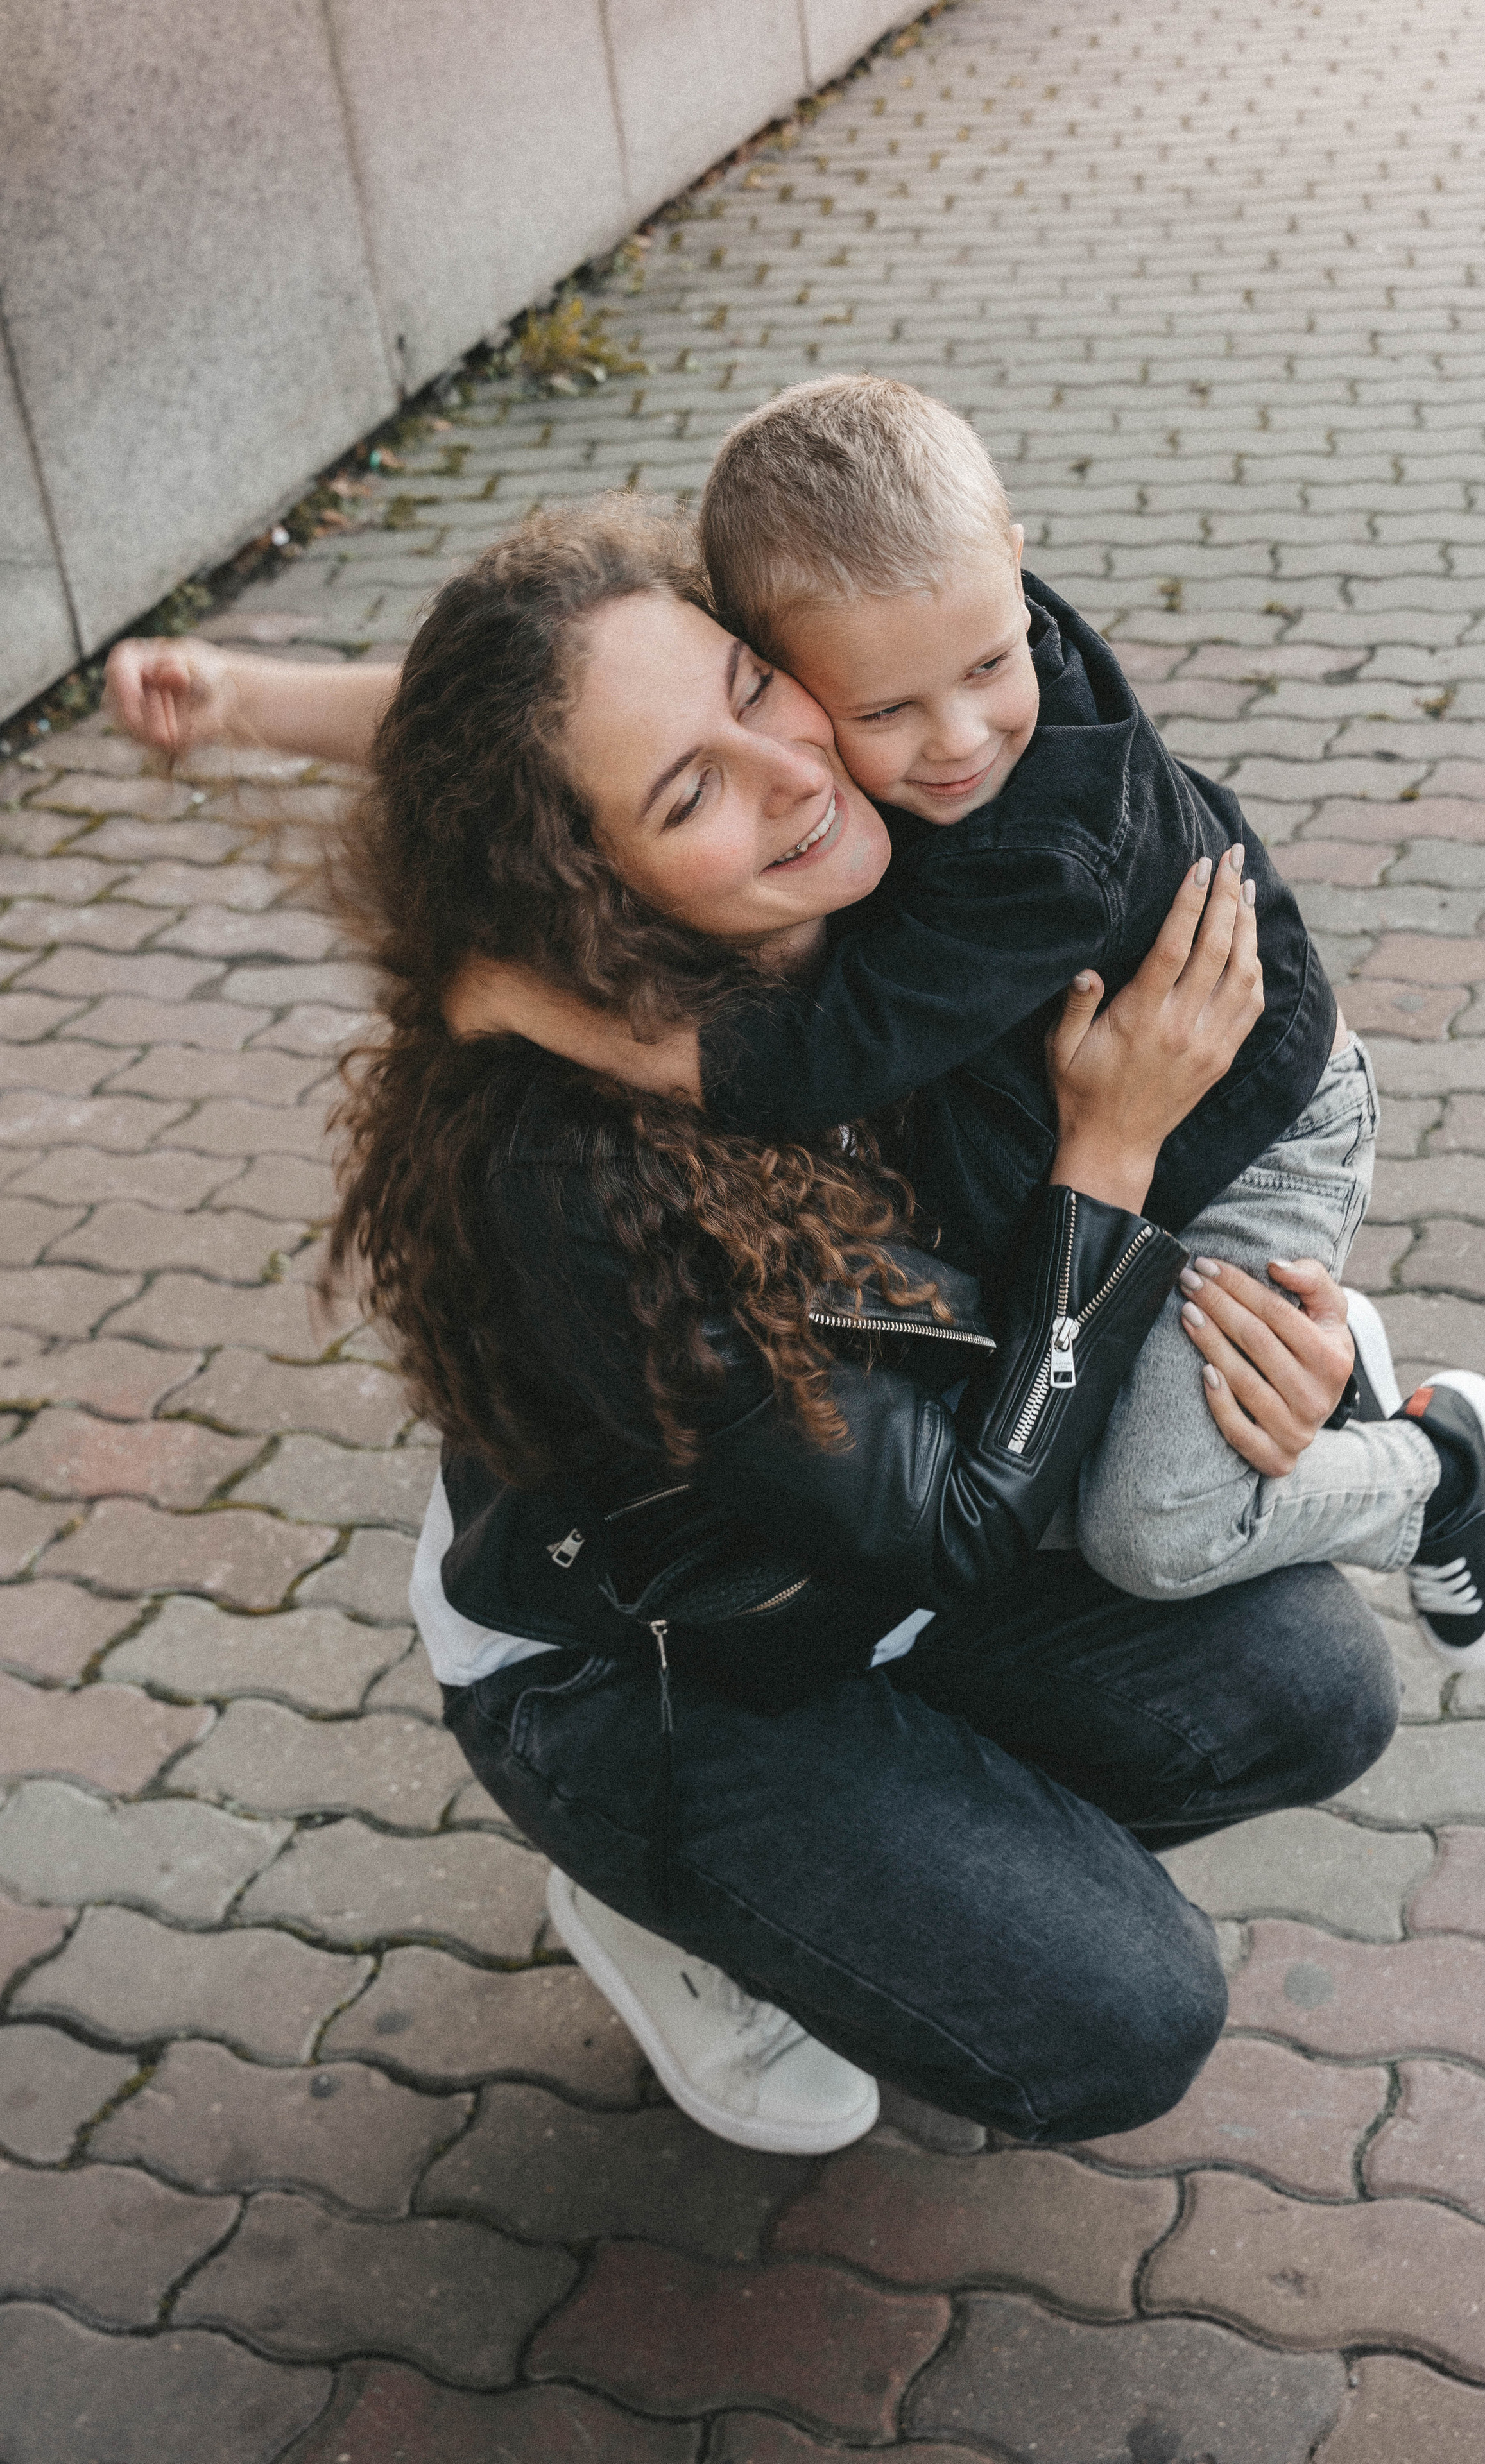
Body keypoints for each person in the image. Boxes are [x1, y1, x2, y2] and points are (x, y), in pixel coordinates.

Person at [106, 497, 1398, 2156]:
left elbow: (518, 707)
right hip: (654, 1649)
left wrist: (1287, 1348)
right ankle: (677, 1895)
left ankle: (856, 1873)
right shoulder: (573, 1175)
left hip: (871, 1549)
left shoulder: (885, 824)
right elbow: (953, 1517)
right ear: (584, 877)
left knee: (1305, 1682)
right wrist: (1111, 1162)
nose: (789, 770)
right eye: (688, 791)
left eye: (752, 688)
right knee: (1121, 2019)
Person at [454, 379, 1485, 1668]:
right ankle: (1313, 1374)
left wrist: (526, 1004)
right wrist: (252, 707)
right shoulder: (907, 621)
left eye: (987, 664)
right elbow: (532, 705)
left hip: (1242, 1137)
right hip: (1075, 1131)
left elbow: (808, 1058)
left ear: (1012, 560)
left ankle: (1427, 1473)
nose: (960, 741)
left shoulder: (1044, 850)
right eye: (884, 712)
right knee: (1048, 1426)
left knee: (1152, 1530)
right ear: (774, 664)